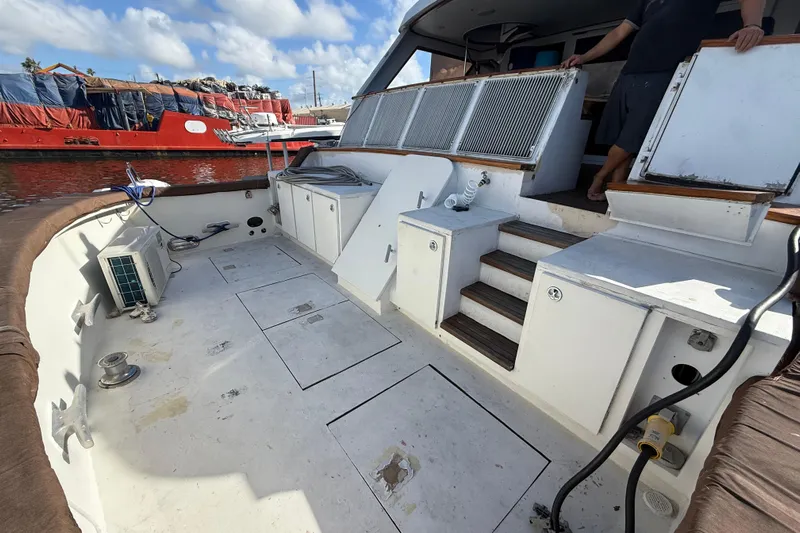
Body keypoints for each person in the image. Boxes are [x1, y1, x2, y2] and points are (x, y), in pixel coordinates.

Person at [562, 0, 766, 201]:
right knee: (620, 135)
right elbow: (619, 32)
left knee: (634, 136)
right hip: (629, 72)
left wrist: (753, 25)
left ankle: (600, 175)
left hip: (665, 72)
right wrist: (584, 57)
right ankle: (615, 189)